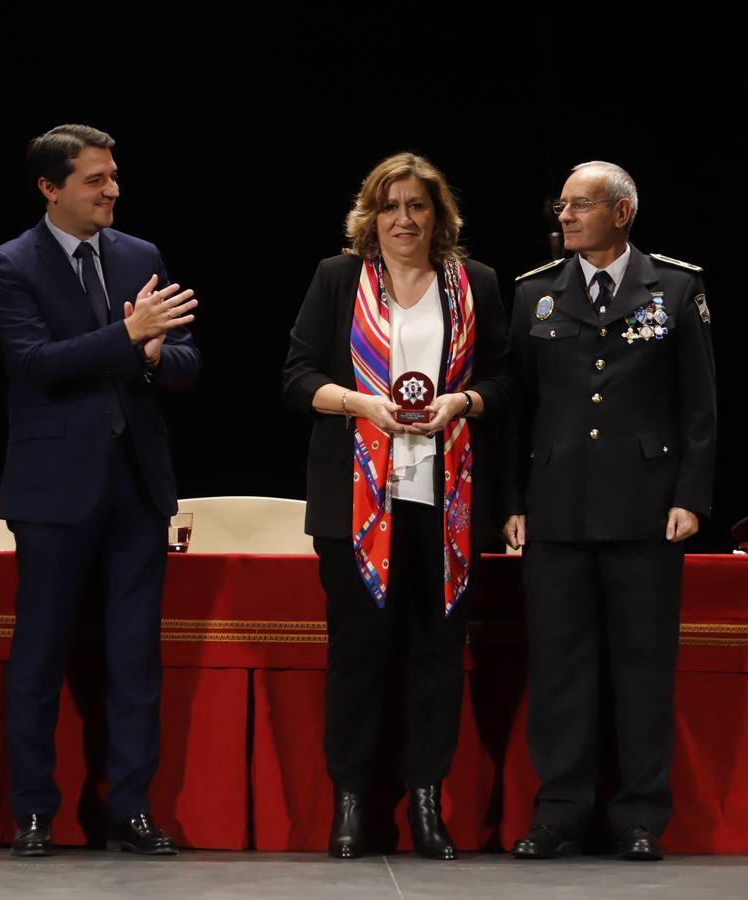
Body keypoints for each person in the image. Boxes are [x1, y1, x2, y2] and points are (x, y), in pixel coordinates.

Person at [0, 124, 200, 858]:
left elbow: (183, 360)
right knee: (40, 654)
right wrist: (128, 334)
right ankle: (35, 811)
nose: (112, 190)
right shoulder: (10, 264)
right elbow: (36, 364)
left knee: (135, 658)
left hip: (137, 483)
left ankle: (129, 809)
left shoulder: (140, 255)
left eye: (113, 177)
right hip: (54, 490)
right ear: (50, 187)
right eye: (94, 180)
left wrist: (160, 354)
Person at [283, 152, 510, 859]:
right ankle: (350, 805)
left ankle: (426, 806)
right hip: (354, 508)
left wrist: (461, 402)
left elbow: (505, 381)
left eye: (418, 206)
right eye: (391, 206)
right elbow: (297, 378)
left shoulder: (474, 284)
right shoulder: (338, 278)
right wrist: (362, 405)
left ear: (438, 215)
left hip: (447, 507)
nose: (404, 220)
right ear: (371, 215)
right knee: (357, 658)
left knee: (437, 661)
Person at [501, 161, 716, 862]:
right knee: (561, 667)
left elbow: (699, 408)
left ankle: (640, 817)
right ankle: (560, 811)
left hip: (646, 510)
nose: (563, 216)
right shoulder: (535, 294)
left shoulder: (676, 288)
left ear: (621, 213)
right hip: (557, 508)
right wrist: (511, 502)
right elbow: (517, 410)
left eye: (579, 206)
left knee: (643, 667)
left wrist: (689, 495)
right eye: (560, 205)